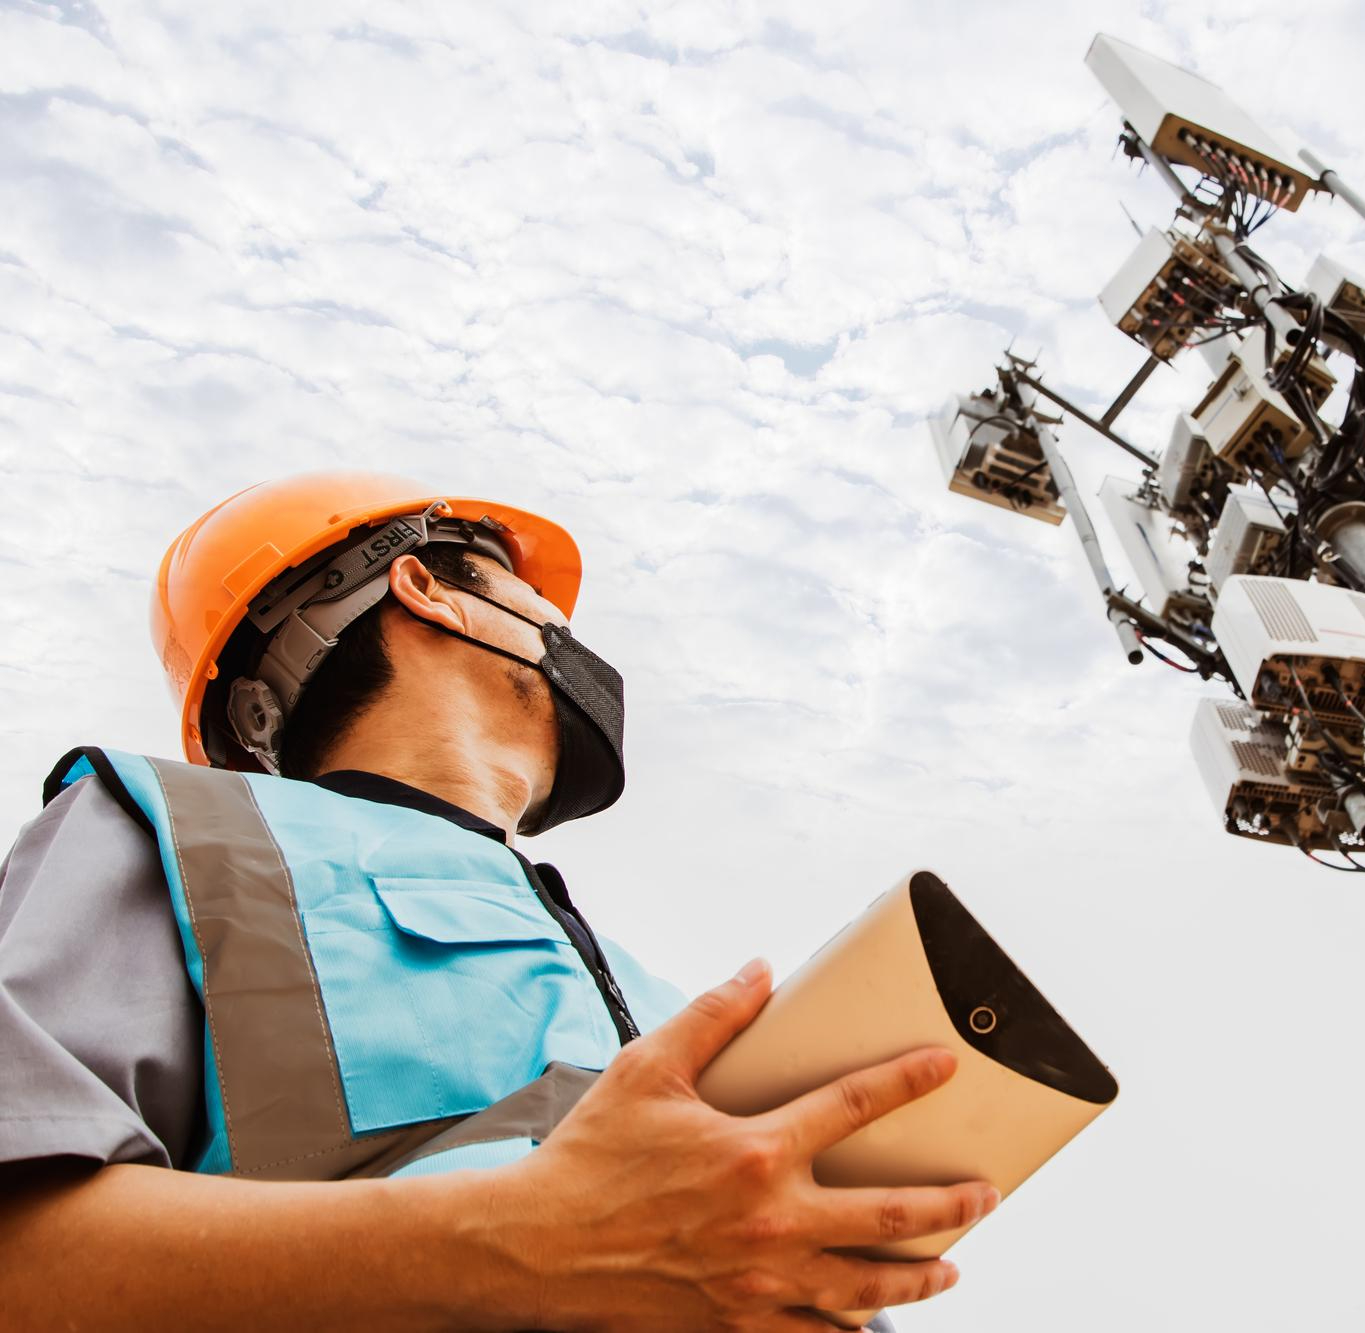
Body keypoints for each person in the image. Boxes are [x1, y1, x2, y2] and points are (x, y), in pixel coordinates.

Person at [0, 472, 996, 1331]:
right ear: (430, 590)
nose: (568, 636)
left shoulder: (657, 998)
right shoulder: (173, 835)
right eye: (533, 594)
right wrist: (521, 1239)